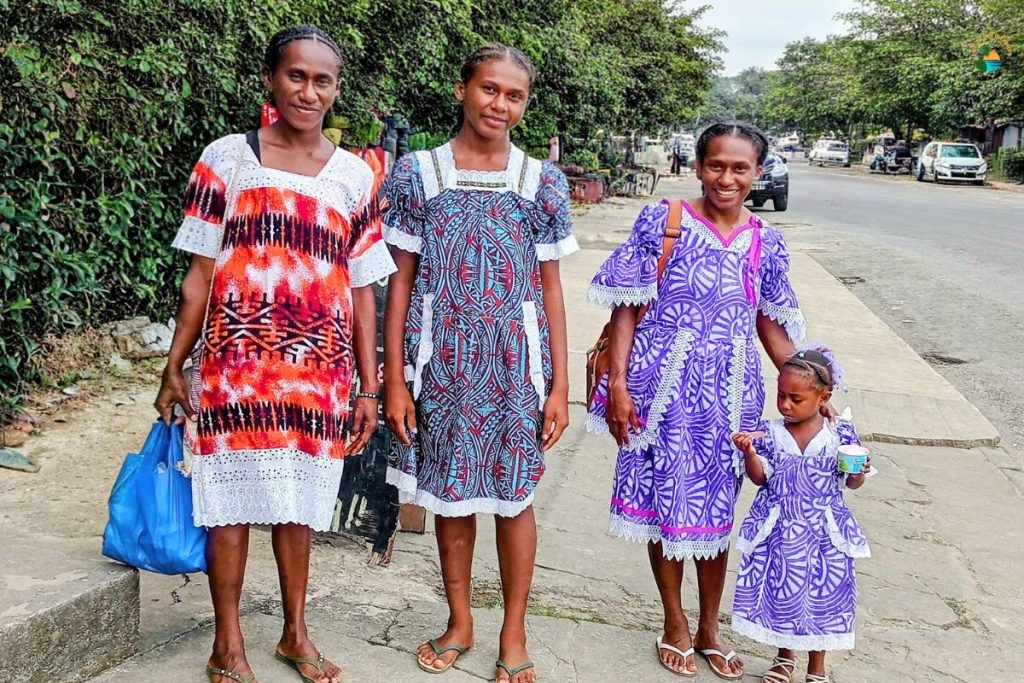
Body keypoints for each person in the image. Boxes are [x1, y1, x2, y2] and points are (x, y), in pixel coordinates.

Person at [154, 25, 396, 683]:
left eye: (323, 80)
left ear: (336, 90)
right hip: (234, 370)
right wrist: (175, 365)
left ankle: (295, 631)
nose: (309, 90)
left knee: (299, 502)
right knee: (226, 502)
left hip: (319, 375)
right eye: (296, 75)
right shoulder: (226, 159)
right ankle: (226, 642)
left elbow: (366, 287)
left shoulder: (354, 176)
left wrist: (369, 387)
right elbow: (200, 274)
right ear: (270, 79)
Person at [586, 121, 828, 679]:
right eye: (716, 165)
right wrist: (618, 385)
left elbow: (770, 324)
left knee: (716, 514)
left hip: (729, 398)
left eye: (740, 168)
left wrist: (813, 386)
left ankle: (709, 626)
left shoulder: (766, 240)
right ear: (698, 166)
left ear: (757, 174)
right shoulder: (664, 220)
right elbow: (626, 306)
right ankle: (673, 622)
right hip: (658, 392)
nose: (726, 177)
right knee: (660, 508)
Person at [381, 44, 576, 683]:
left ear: (525, 105)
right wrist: (393, 380)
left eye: (513, 95)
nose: (499, 104)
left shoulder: (542, 182)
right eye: (489, 89)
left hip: (518, 366)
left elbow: (549, 287)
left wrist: (560, 386)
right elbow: (401, 280)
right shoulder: (416, 174)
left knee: (515, 500)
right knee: (452, 498)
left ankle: (512, 631)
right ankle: (460, 621)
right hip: (440, 362)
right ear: (464, 88)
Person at [731, 349, 872, 683]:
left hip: (823, 532)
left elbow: (852, 482)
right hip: (780, 527)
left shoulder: (840, 435)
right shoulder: (769, 433)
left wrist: (860, 470)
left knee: (820, 597)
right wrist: (749, 452)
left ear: (823, 397)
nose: (785, 405)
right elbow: (760, 478)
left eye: (796, 398)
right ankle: (783, 657)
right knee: (783, 592)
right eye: (781, 395)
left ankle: (816, 666)